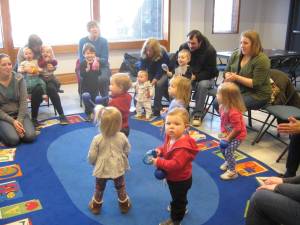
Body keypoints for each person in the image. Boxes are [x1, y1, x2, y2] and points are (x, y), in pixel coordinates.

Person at [152, 108, 199, 225]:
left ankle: (175, 220)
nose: (171, 127)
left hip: (180, 180)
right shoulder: (171, 136)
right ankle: (183, 206)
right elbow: (166, 147)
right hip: (173, 177)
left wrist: (159, 162)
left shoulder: (183, 147)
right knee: (179, 197)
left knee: (177, 201)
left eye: (176, 124)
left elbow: (176, 165)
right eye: (168, 123)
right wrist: (159, 151)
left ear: (186, 127)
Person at [213, 30, 271, 115]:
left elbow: (255, 83)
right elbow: (226, 71)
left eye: (245, 43)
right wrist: (228, 75)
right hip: (237, 90)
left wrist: (236, 77)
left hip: (257, 94)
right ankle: (228, 124)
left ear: (254, 45)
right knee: (216, 103)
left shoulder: (262, 59)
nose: (242, 46)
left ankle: (234, 125)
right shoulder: (236, 54)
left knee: (230, 106)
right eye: (241, 43)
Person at [87, 105, 131, 215]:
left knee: (99, 188)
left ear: (101, 123)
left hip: (102, 169)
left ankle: (96, 206)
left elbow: (92, 155)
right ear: (119, 123)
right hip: (118, 167)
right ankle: (124, 205)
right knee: (121, 187)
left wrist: (93, 163)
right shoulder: (122, 136)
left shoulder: (97, 138)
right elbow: (127, 149)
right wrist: (123, 157)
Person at [17, 34, 68, 126]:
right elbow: (20, 68)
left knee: (51, 89)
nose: (38, 48)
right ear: (30, 46)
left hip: (47, 77)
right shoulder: (23, 51)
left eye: (40, 45)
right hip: (33, 79)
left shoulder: (45, 48)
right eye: (36, 46)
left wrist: (53, 67)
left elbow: (55, 62)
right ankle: (34, 118)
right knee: (37, 91)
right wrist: (28, 73)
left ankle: (62, 115)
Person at [176, 30, 218, 127]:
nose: (190, 45)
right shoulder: (183, 47)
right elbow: (176, 60)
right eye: (189, 42)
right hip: (189, 75)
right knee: (181, 81)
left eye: (193, 43)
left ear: (200, 42)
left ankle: (197, 114)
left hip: (206, 77)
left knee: (202, 85)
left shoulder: (210, 51)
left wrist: (195, 77)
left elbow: (211, 72)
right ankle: (184, 110)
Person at [0, 53, 36, 146]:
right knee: (14, 140)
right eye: (4, 65)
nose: (8, 67)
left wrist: (19, 121)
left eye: (9, 64)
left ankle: (13, 128)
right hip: (3, 117)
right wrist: (13, 122)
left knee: (30, 137)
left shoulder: (19, 78)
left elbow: (24, 101)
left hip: (20, 114)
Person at [216, 82, 247, 180]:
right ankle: (229, 162)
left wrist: (228, 138)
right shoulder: (222, 107)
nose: (216, 95)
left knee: (228, 150)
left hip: (238, 136)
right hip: (229, 133)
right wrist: (223, 133)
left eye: (218, 94)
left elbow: (238, 129)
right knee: (221, 148)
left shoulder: (233, 112)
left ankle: (232, 171)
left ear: (227, 97)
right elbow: (223, 122)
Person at [138, 38, 170, 116]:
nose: (148, 52)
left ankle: (157, 108)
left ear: (155, 50)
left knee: (159, 84)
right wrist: (141, 77)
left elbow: (161, 70)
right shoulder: (144, 54)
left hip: (164, 72)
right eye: (147, 50)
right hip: (150, 72)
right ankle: (140, 106)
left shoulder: (162, 53)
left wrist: (153, 82)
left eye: (150, 51)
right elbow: (142, 69)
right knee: (141, 82)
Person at [78, 20, 111, 97]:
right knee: (91, 79)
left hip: (102, 66)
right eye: (92, 27)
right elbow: (81, 58)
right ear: (88, 30)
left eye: (97, 27)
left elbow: (105, 60)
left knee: (103, 79)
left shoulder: (104, 41)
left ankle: (104, 99)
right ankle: (90, 98)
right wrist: (92, 61)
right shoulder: (82, 41)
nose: (95, 29)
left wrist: (95, 60)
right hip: (86, 65)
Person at [80, 43, 101, 120]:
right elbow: (82, 75)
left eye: (92, 53)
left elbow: (99, 74)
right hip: (86, 87)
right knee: (87, 100)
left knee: (95, 99)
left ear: (94, 54)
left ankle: (95, 113)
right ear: (84, 54)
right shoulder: (83, 63)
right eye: (88, 53)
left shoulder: (96, 63)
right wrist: (87, 70)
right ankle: (88, 113)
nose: (90, 55)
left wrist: (98, 69)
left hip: (95, 86)